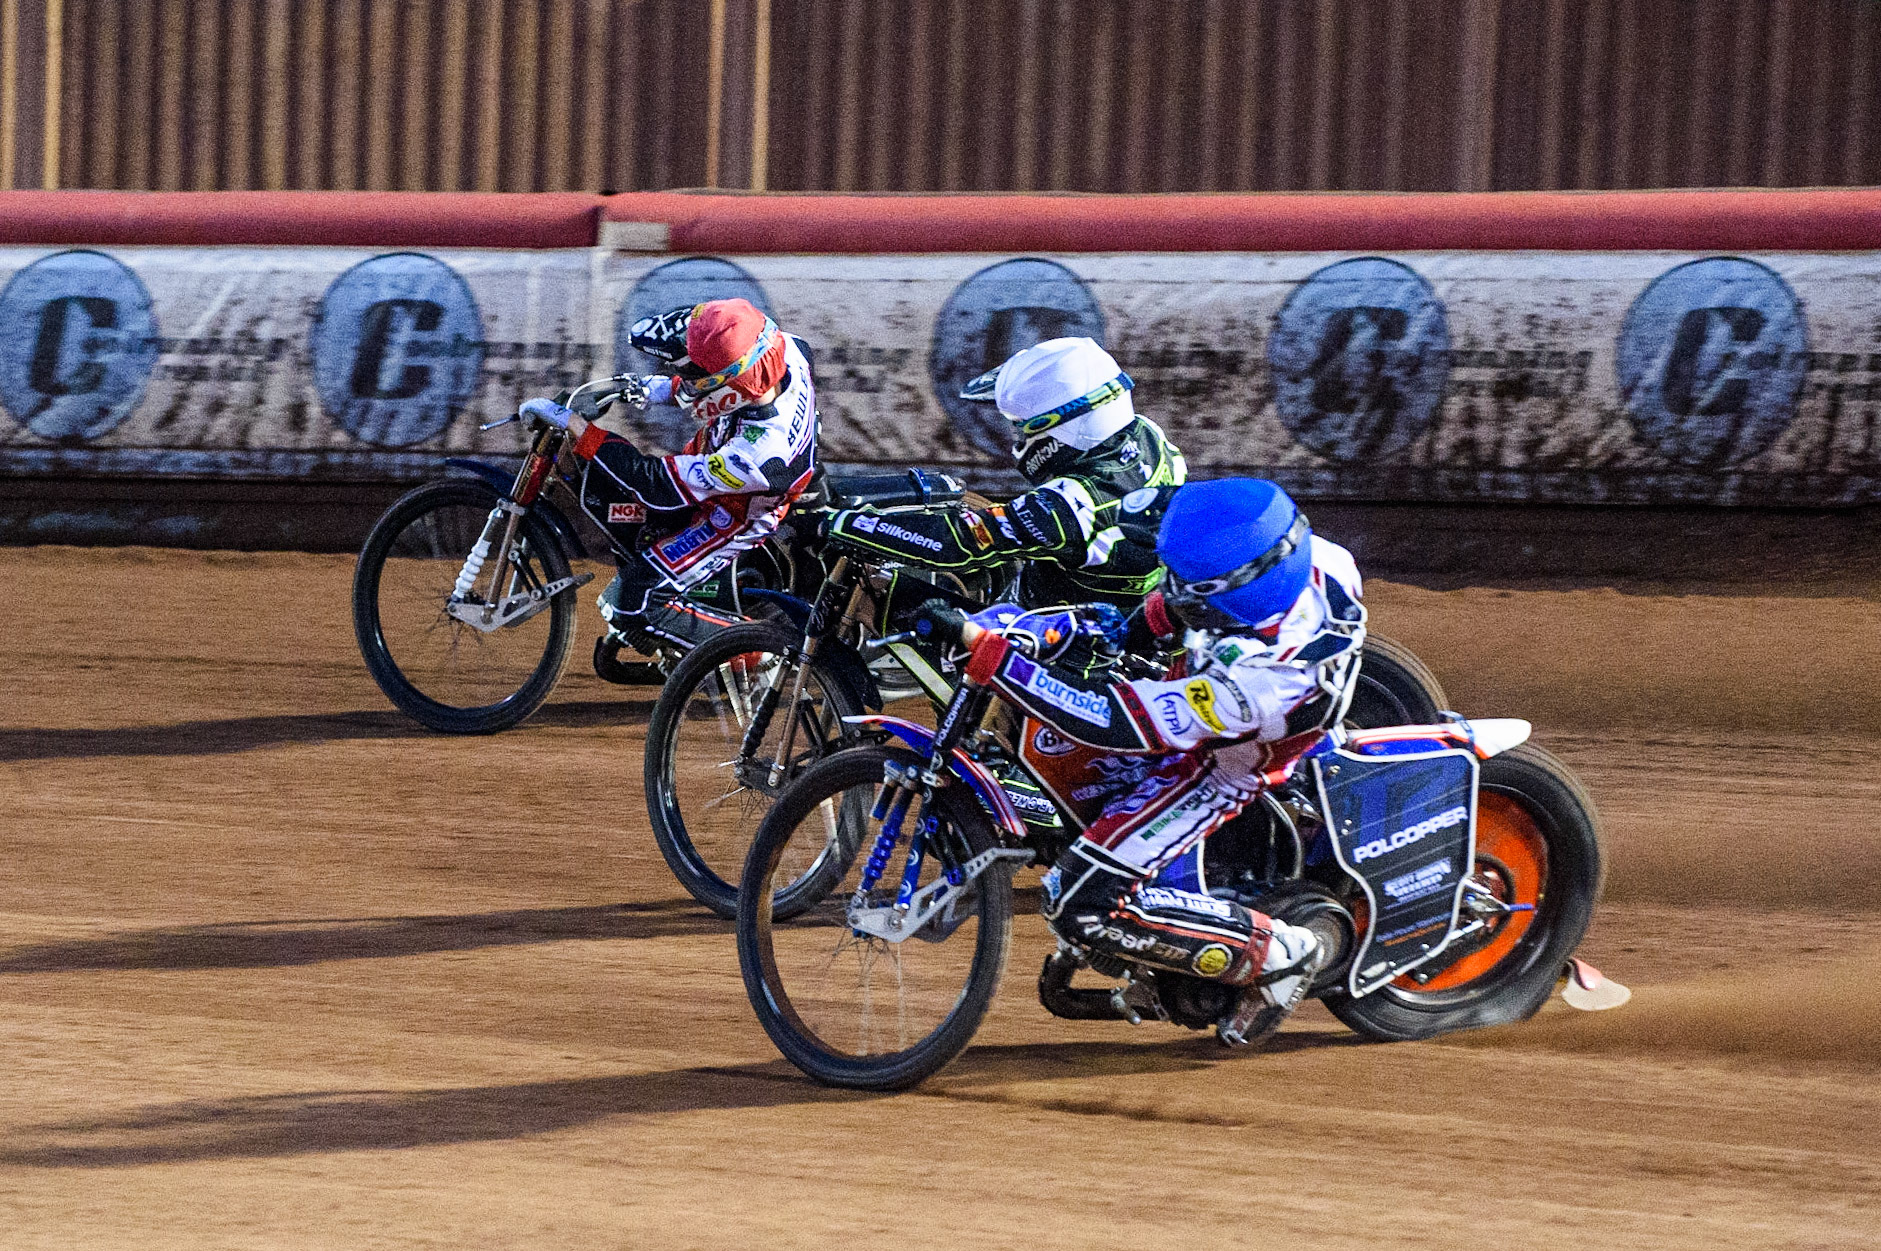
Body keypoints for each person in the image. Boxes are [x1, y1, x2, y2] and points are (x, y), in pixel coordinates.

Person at [919, 477, 1366, 1045]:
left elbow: (1110, 721)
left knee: (1078, 903)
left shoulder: (1261, 681)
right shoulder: (1309, 555)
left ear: (1240, 589)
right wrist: (1138, 623)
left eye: (1194, 589)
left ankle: (1279, 952)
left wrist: (994, 659)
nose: (1177, 593)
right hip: (1229, 688)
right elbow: (1182, 589)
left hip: (1226, 763)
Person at [521, 298, 818, 664]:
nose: (690, 378)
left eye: (698, 374)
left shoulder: (759, 454)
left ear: (732, 387)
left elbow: (655, 484)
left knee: (633, 605)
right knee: (638, 522)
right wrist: (642, 389)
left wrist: (577, 428)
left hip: (736, 510)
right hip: (727, 451)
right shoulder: (784, 347)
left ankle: (770, 653)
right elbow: (708, 366)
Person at [822, 337, 1185, 615]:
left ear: (1059, 428)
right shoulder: (1144, 434)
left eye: (1022, 429)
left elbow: (955, 543)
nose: (1018, 440)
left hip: (1067, 644)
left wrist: (841, 524)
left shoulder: (1071, 502)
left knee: (935, 630)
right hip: (1131, 611)